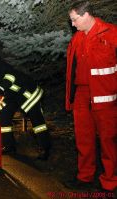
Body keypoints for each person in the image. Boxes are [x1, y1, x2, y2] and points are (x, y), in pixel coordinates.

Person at [65, 1, 117, 192]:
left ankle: (110, 182)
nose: (73, 24)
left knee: (107, 141)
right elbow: (72, 70)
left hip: (105, 96)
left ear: (86, 15)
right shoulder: (77, 38)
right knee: (83, 139)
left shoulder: (112, 33)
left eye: (74, 19)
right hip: (81, 95)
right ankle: (84, 178)